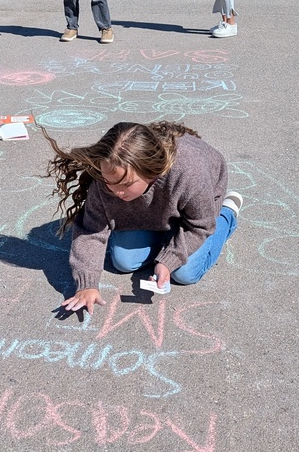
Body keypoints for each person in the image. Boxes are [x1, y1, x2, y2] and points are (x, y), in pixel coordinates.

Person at [44, 121, 244, 314]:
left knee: (184, 273)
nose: (115, 191)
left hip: (197, 209)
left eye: (125, 184)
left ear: (151, 172)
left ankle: (227, 214)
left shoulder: (189, 173)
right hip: (152, 211)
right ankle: (166, 233)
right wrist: (86, 284)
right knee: (124, 262)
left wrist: (169, 260)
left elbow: (200, 226)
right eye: (109, 181)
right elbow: (91, 231)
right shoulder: (108, 178)